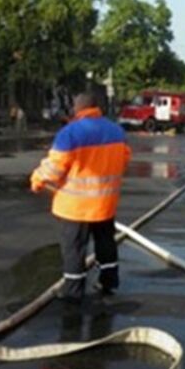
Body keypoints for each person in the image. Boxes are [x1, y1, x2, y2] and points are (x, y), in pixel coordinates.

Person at [30, 92, 131, 302]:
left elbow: (55, 169)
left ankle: (74, 293)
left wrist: (37, 179)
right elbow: (124, 161)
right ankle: (109, 282)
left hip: (75, 207)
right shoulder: (116, 131)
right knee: (106, 243)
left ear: (77, 109)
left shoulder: (70, 133)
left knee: (74, 249)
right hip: (104, 203)